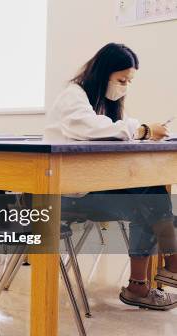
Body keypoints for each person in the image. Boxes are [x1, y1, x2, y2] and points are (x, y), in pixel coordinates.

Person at [45, 43, 177, 310]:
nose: (125, 86)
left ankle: (141, 285)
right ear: (102, 74)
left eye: (129, 81)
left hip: (93, 190)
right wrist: (142, 130)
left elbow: (123, 127)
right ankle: (169, 265)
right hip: (66, 194)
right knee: (149, 198)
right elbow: (91, 128)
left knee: (149, 195)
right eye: (121, 80)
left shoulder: (108, 103)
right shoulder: (74, 96)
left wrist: (148, 129)